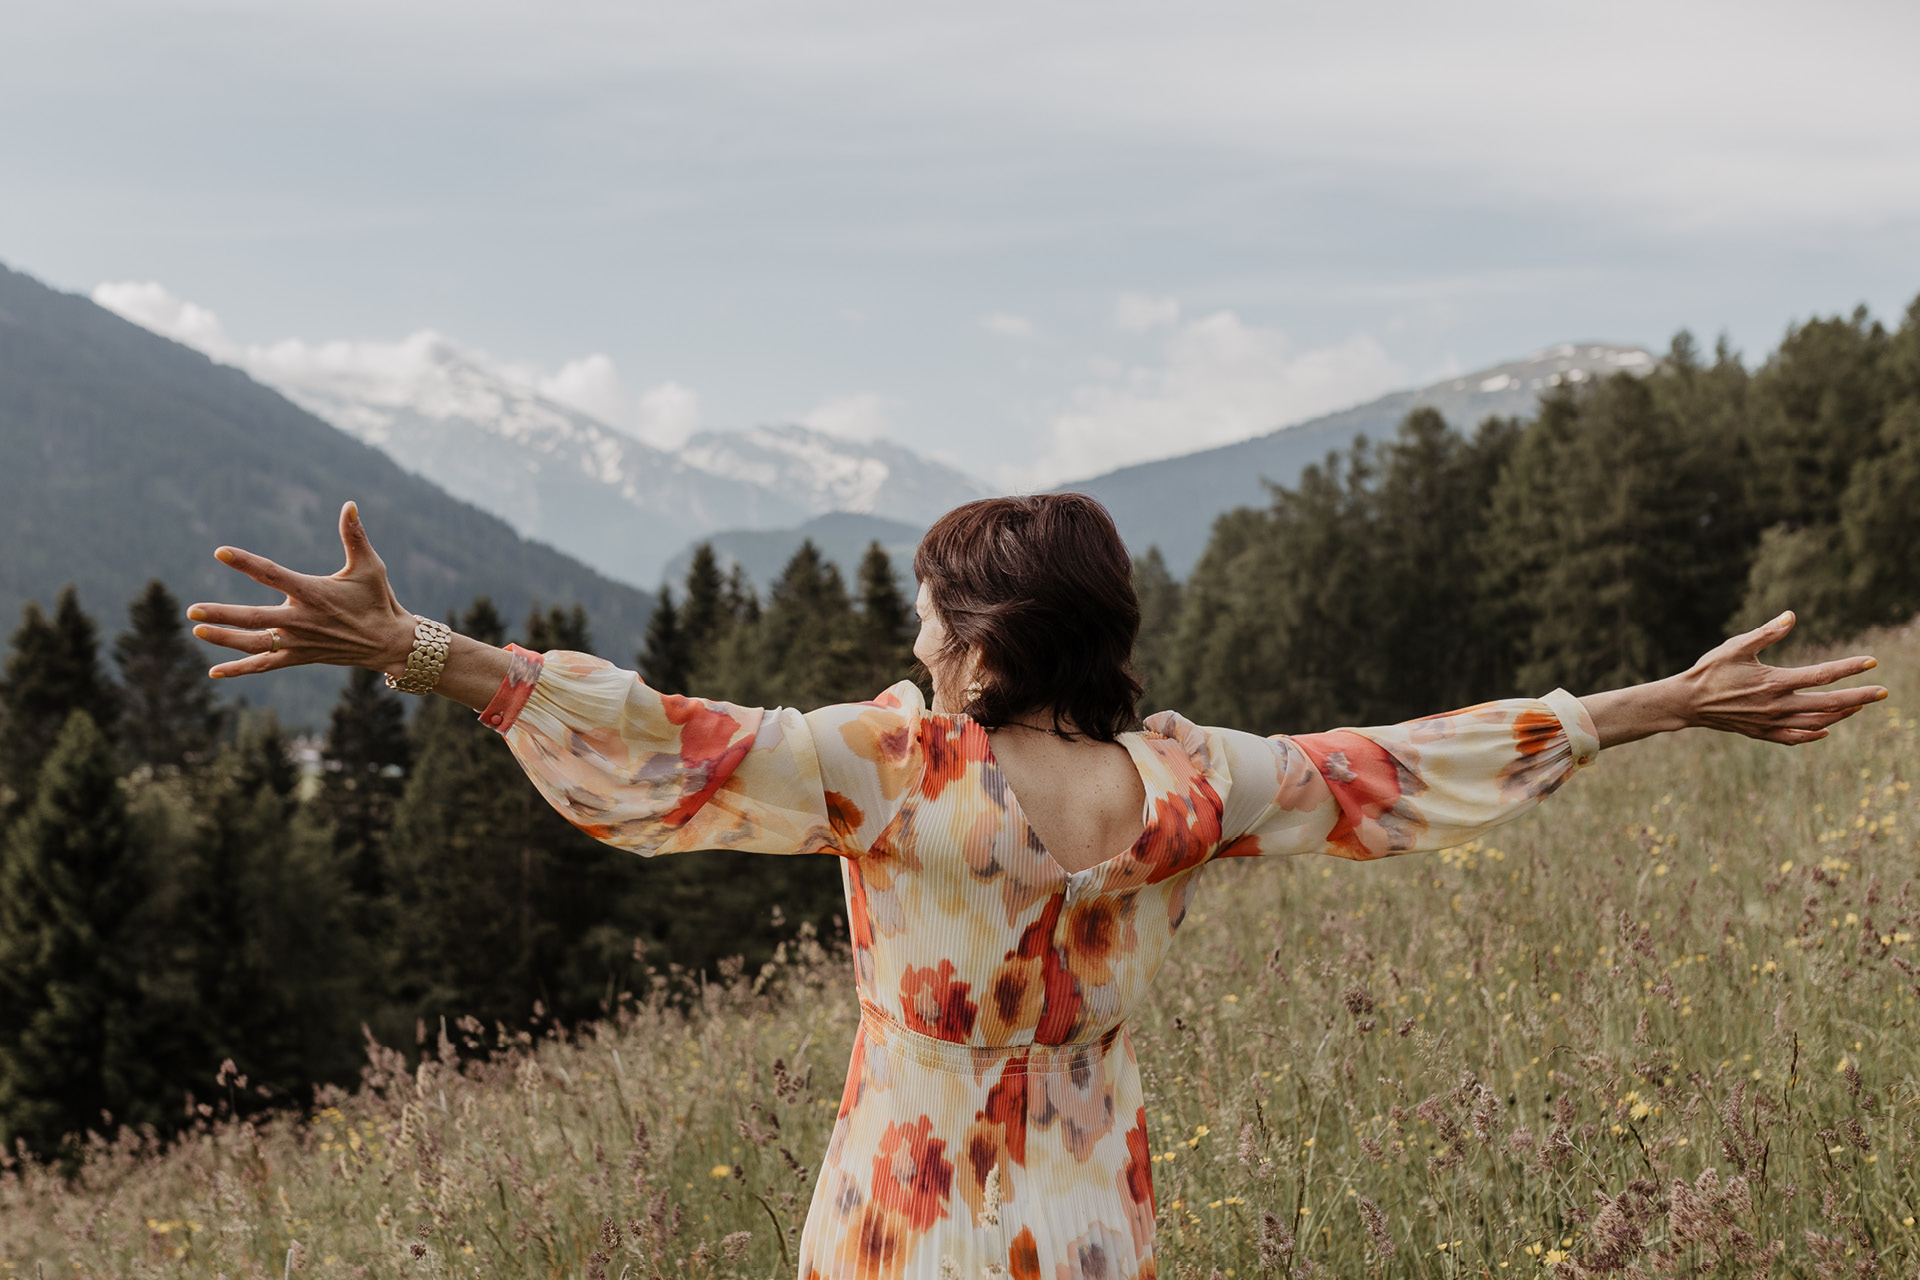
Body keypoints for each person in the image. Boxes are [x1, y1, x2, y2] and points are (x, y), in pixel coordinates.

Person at [190, 495, 1885, 1280]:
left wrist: (413, 649)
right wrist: (1646, 705)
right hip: (1089, 1230)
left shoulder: (902, 773)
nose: (911, 644)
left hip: (905, 1226)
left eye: (931, 619)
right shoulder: (1197, 784)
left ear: (987, 640)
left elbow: (671, 747)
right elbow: (1403, 764)